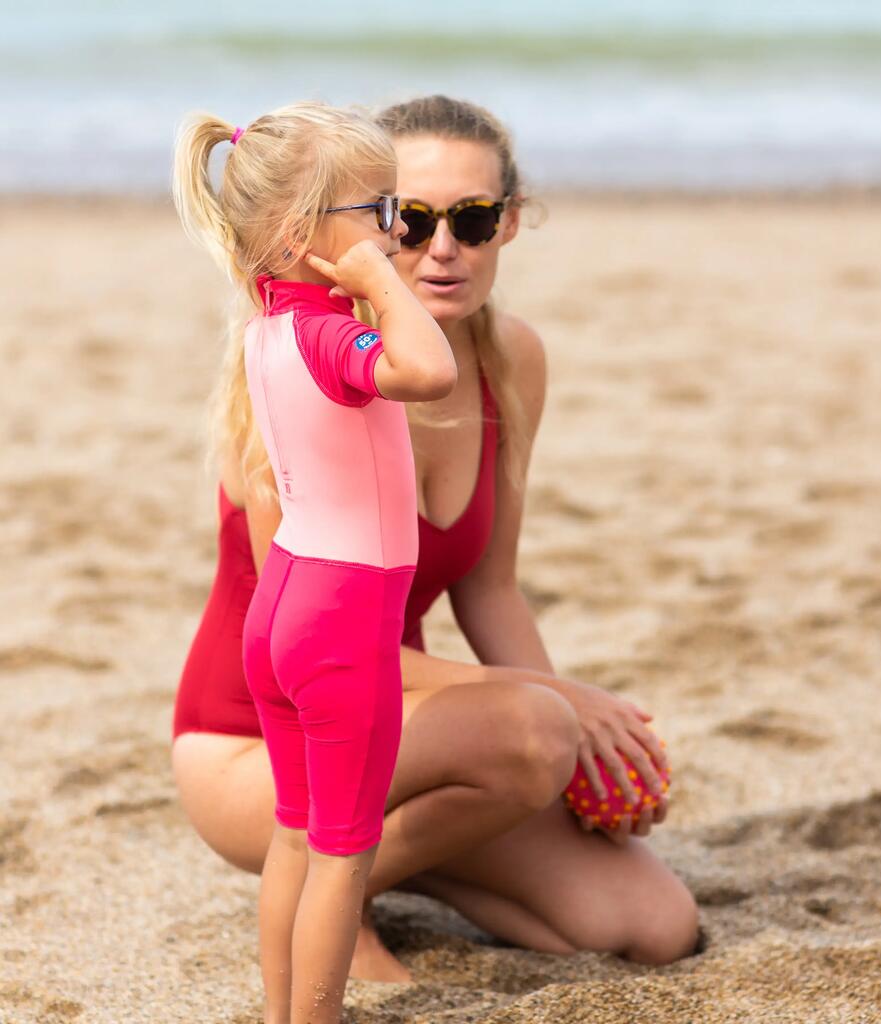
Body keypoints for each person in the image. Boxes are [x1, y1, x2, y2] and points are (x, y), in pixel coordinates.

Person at [172, 96, 699, 984]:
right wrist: (561, 701)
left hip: (395, 722)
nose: (440, 247)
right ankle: (334, 896)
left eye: (475, 218)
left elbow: (490, 590)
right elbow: (318, 624)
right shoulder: (313, 362)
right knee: (533, 730)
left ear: (512, 223)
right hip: (256, 746)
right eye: (405, 219)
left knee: (652, 923)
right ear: (353, 221)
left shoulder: (512, 359)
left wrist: (584, 737)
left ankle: (383, 867)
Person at [172, 100, 457, 1024]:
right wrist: (380, 279)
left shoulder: (268, 330)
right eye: (379, 213)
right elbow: (430, 369)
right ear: (302, 236)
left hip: (284, 609)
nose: (395, 232)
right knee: (343, 855)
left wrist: (361, 262)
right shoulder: (336, 338)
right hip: (340, 622)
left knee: (295, 838)